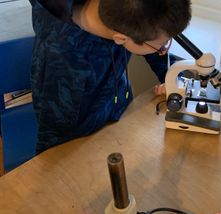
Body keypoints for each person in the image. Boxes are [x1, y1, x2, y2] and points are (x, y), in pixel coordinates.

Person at [29, 0, 191, 153]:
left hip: (121, 107)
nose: (163, 49)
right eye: (160, 45)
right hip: (80, 138)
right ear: (120, 38)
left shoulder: (124, 13)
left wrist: (171, 78)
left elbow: (151, 26)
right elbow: (53, 145)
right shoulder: (62, 59)